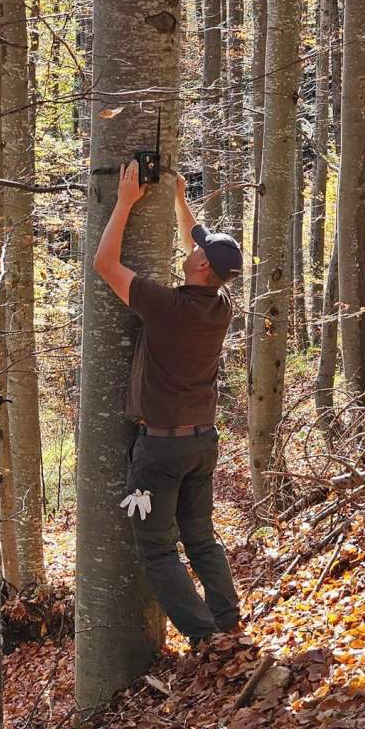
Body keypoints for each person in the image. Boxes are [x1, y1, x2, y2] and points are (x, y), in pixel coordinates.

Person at [93, 160, 243, 647]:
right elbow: (198, 244)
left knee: (156, 548)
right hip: (202, 443)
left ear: (202, 267)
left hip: (160, 452)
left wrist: (124, 203)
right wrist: (179, 199)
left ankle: (205, 637)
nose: (192, 246)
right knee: (199, 537)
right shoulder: (220, 306)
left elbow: (105, 265)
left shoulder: (167, 307)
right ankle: (227, 620)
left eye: (198, 249)